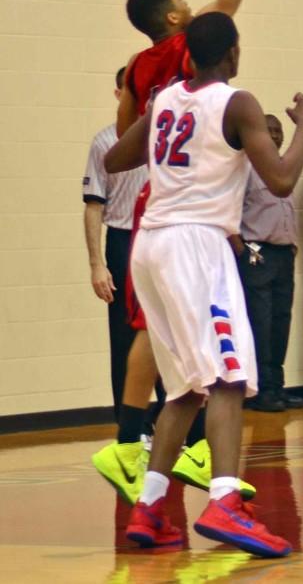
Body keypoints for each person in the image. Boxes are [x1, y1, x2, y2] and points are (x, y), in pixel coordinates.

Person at [92, 0, 294, 504]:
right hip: (189, 208)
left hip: (155, 203)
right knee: (202, 355)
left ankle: (144, 448)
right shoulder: (195, 49)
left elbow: (121, 135)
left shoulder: (139, 66)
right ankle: (153, 452)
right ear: (178, 20)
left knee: (159, 333)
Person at [105, 12, 303, 555]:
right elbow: (280, 179)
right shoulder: (237, 101)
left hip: (150, 247)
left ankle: (150, 506)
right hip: (197, 247)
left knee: (184, 387)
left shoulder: (164, 99)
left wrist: (158, 127)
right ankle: (225, 501)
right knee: (228, 378)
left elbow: (115, 158)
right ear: (232, 53)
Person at [83, 66, 149, 418]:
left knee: (169, 332)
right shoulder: (105, 142)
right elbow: (94, 206)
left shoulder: (167, 137)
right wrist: (97, 263)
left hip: (163, 241)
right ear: (119, 94)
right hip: (123, 242)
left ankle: (178, 427)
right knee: (125, 337)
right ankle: (130, 428)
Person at [231, 114, 303, 412]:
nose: (274, 136)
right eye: (269, 130)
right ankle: (259, 390)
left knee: (280, 323)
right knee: (259, 324)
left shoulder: (284, 169)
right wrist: (241, 250)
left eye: (278, 131)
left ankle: (277, 387)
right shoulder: (245, 168)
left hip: (283, 255)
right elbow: (229, 213)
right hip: (257, 254)